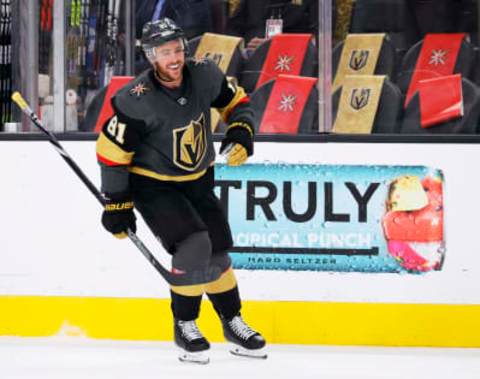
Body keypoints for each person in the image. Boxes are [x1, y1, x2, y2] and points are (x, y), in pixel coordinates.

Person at [95, 17, 266, 364]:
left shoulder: (205, 75)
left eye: (176, 49)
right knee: (194, 243)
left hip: (197, 179)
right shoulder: (134, 100)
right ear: (150, 56)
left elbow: (238, 104)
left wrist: (241, 132)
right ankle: (185, 324)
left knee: (217, 250)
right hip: (153, 185)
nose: (172, 58)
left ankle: (232, 321)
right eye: (163, 52)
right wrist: (117, 204)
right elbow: (111, 153)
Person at [227, 0, 319, 53]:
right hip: (248, 60)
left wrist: (277, 45)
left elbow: (319, 41)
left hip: (289, 61)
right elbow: (233, 29)